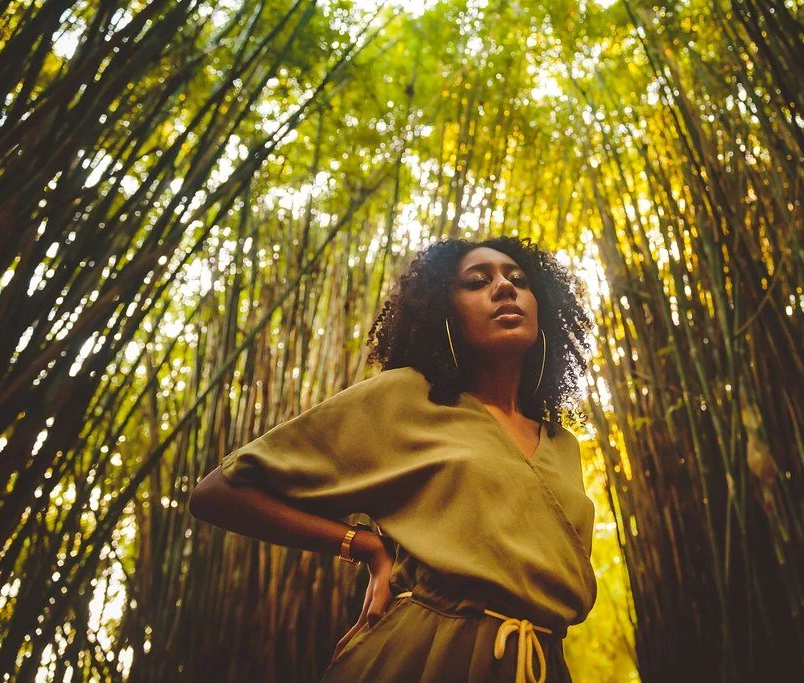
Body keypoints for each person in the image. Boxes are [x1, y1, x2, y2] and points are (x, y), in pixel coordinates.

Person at [189, 235, 598, 682]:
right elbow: (219, 492)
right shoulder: (407, 398)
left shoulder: (562, 444)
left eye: (518, 279)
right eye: (477, 282)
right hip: (425, 657)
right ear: (445, 315)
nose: (504, 287)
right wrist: (367, 547)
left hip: (542, 665)